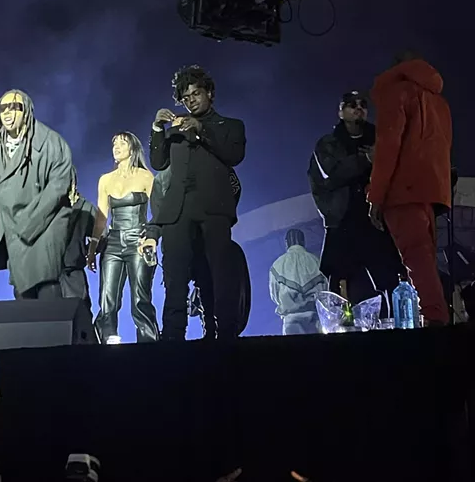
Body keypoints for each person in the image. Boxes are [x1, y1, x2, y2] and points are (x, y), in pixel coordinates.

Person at [150, 65, 246, 341]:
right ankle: (172, 337)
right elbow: (158, 163)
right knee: (175, 278)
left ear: (210, 94)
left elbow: (233, 155)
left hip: (214, 209)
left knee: (219, 274)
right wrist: (158, 129)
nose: (191, 100)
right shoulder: (176, 130)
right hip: (177, 211)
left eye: (196, 94)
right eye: (186, 97)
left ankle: (223, 333)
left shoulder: (230, 126)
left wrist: (202, 130)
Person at [366, 52, 453, 326]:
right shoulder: (438, 101)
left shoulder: (397, 93)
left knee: (417, 264)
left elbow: (387, 148)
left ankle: (434, 330)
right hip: (430, 193)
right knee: (426, 263)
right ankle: (437, 323)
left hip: (403, 192)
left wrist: (375, 196)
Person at [0, 90, 73, 299]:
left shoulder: (50, 142)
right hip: (12, 224)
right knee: (21, 284)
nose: (8, 113)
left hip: (45, 223)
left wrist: (28, 221)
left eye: (15, 107)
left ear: (27, 111)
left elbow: (58, 185)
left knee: (45, 279)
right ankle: (29, 331)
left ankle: (52, 330)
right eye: (3, 108)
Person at [307, 91, 403, 310]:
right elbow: (330, 175)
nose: (358, 108)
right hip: (343, 222)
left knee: (389, 278)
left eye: (362, 104)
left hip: (376, 222)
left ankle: (394, 328)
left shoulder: (380, 139)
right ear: (340, 112)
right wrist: (366, 159)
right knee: (339, 282)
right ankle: (338, 333)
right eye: (351, 104)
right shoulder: (328, 144)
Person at [93, 132, 159, 344]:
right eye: (114, 144)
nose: (117, 147)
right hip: (112, 241)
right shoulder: (105, 179)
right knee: (107, 299)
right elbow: (101, 216)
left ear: (132, 148)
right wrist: (93, 246)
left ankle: (148, 344)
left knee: (140, 298)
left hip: (137, 240)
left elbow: (158, 212)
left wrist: (151, 238)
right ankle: (107, 343)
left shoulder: (145, 176)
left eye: (122, 143)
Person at [62, 170, 105, 314]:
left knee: (81, 312)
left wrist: (87, 251)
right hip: (50, 272)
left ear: (73, 183)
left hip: (73, 272)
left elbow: (102, 235)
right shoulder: (51, 206)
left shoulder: (86, 208)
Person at [269, 229, 326, 335]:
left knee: (293, 351)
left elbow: (275, 295)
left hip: (291, 321)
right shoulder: (316, 261)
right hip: (315, 320)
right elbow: (326, 290)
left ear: (286, 243)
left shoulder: (277, 265)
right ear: (303, 241)